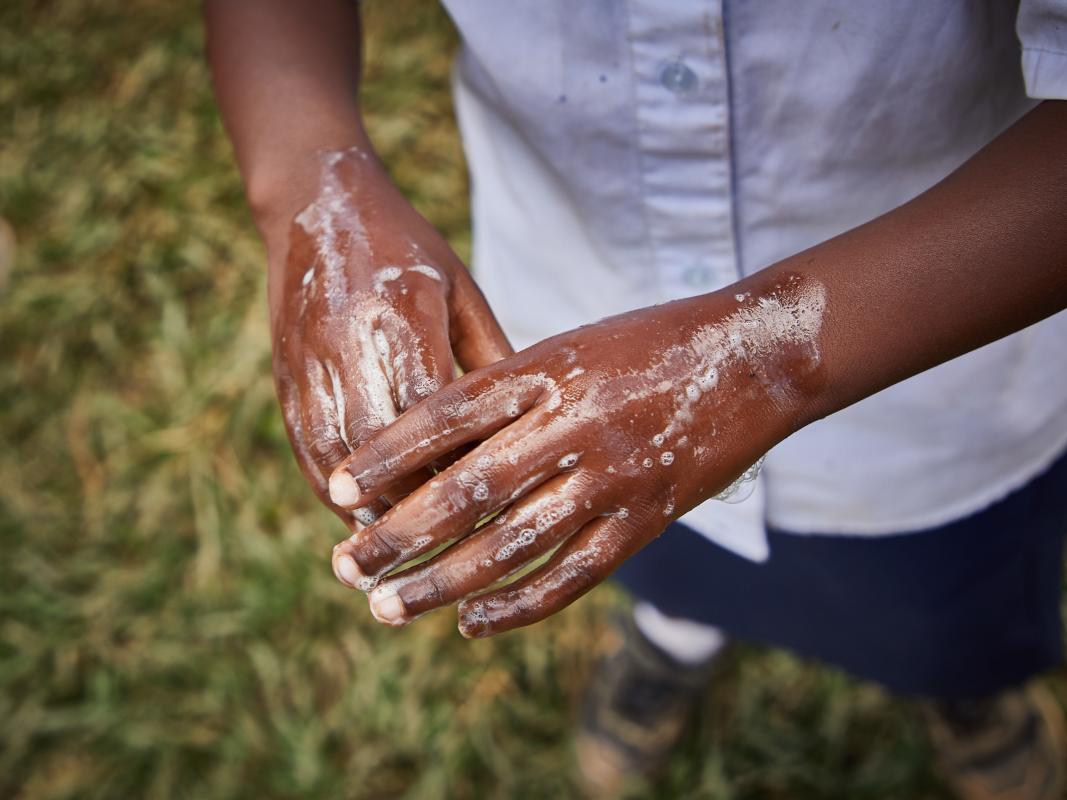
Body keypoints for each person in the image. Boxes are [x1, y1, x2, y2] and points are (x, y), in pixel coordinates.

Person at [205, 2, 1067, 797]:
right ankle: (672, 636)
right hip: (565, 306)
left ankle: (966, 694)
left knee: (945, 603)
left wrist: (764, 360)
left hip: (935, 351)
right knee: (651, 558)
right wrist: (307, 175)